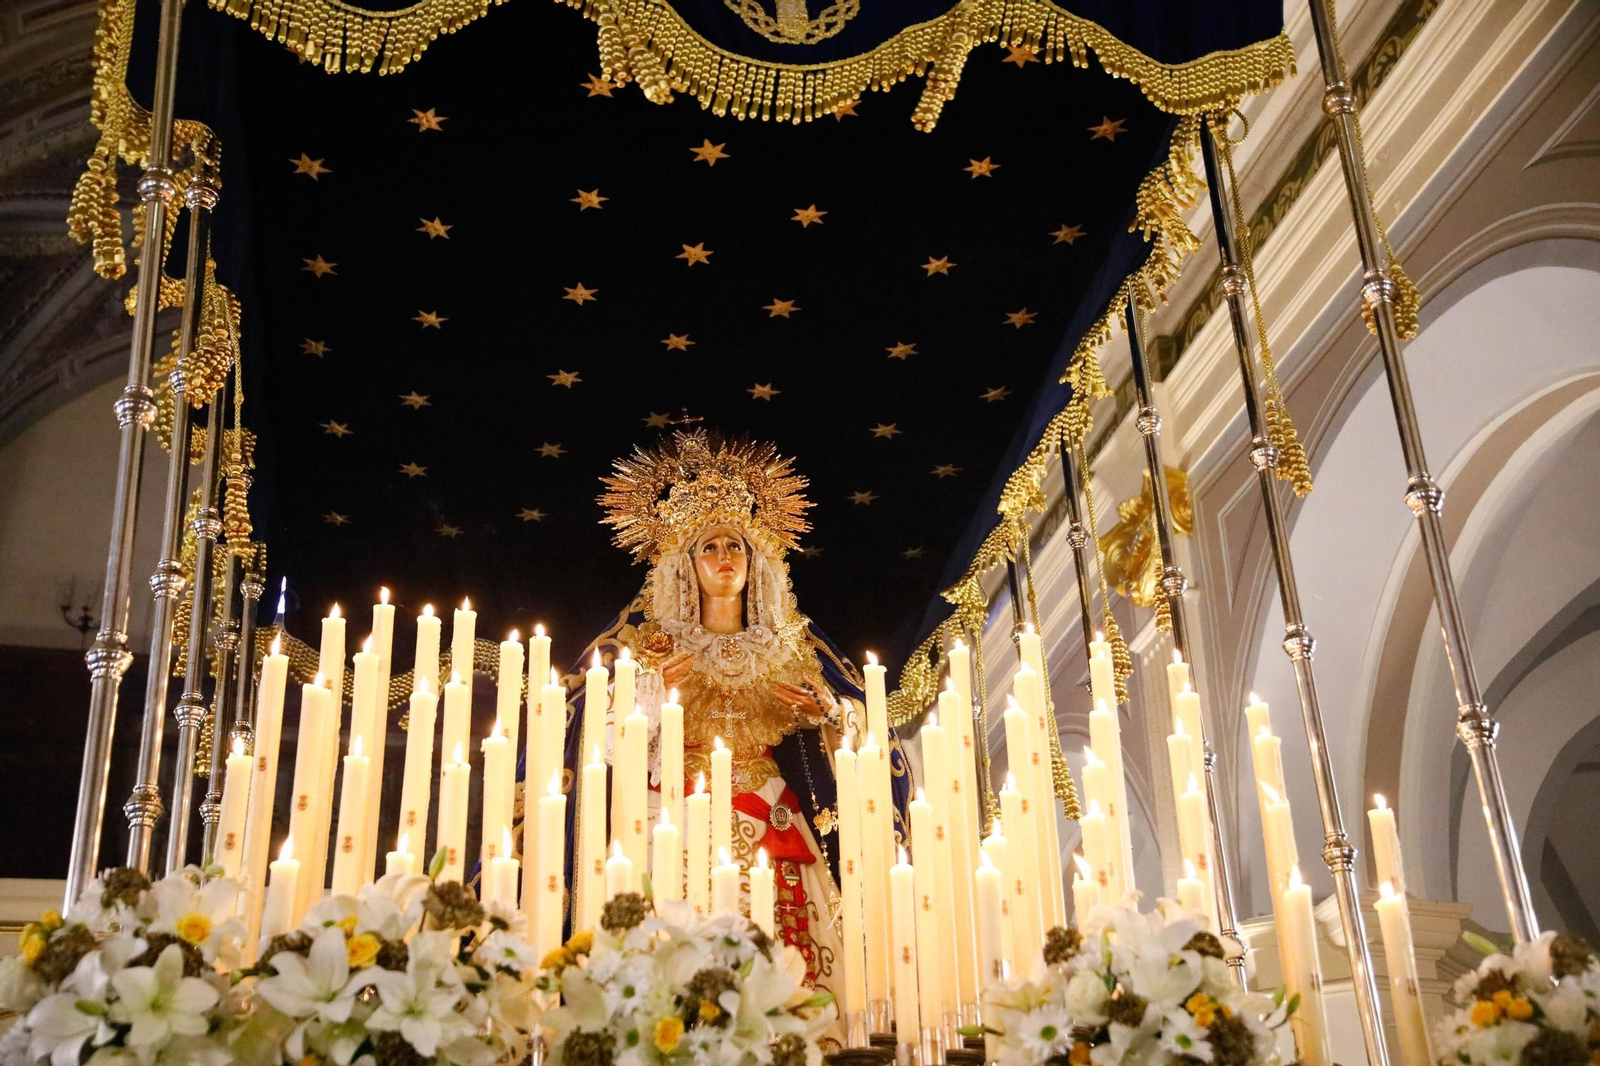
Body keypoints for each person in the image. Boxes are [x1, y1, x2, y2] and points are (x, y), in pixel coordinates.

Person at [520, 430, 912, 991]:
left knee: (787, 972)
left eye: (736, 546)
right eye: (709, 546)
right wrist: (644, 698)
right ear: (686, 565)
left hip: (770, 819)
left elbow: (860, 728)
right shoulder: (647, 646)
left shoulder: (794, 645)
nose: (725, 557)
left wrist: (826, 714)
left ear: (756, 562)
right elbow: (591, 738)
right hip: (674, 817)